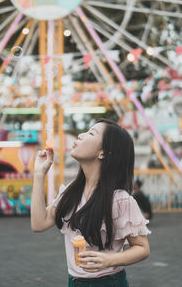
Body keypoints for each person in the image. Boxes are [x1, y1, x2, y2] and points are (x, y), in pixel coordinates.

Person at [31, 118, 151, 287]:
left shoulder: (120, 200)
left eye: (91, 133)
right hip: (74, 282)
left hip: (108, 282)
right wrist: (38, 175)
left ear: (102, 152)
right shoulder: (70, 192)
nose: (80, 135)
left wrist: (110, 260)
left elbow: (142, 248)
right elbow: (38, 223)